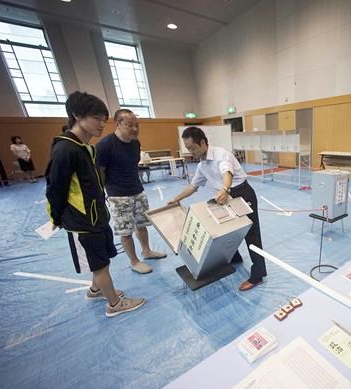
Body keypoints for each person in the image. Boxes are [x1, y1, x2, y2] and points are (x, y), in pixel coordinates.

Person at [45, 91, 145, 317]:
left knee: (101, 257)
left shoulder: (86, 147)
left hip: (96, 215)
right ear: (77, 116)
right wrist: (57, 218)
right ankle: (114, 304)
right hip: (81, 220)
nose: (102, 124)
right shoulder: (65, 149)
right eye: (96, 118)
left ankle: (96, 289)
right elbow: (55, 188)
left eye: (103, 119)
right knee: (99, 263)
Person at [168, 126, 267, 291]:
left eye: (192, 148)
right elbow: (193, 186)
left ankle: (258, 275)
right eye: (188, 149)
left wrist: (225, 189)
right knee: (226, 230)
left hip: (241, 194)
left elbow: (226, 172)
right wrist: (176, 199)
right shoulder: (202, 166)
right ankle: (234, 258)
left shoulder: (221, 154)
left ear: (202, 143)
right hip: (224, 196)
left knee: (252, 236)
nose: (190, 152)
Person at [96, 109, 167, 274]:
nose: (135, 129)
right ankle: (134, 261)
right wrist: (104, 193)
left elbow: (133, 166)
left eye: (137, 125)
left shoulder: (135, 143)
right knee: (125, 230)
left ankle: (147, 251)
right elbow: (100, 172)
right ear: (118, 124)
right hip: (118, 195)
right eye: (130, 125)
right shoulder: (105, 145)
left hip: (137, 190)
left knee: (142, 224)